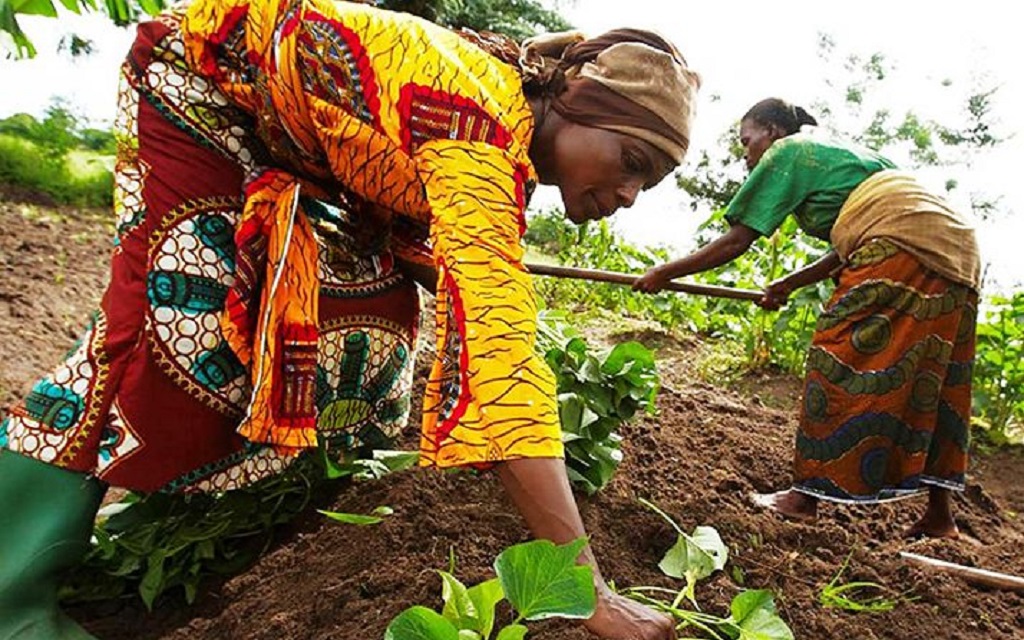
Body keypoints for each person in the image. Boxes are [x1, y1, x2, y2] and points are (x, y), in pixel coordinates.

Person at [0, 1, 701, 638]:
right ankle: (13, 597)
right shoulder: (479, 136)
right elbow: (500, 367)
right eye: (631, 160)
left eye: (650, 182)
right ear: (578, 103)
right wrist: (589, 594)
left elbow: (418, 218)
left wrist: (472, 283)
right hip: (198, 87)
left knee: (372, 323)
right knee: (175, 325)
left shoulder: (500, 130)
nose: (632, 194)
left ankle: (195, 526)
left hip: (289, 142)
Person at [634, 97, 980, 540]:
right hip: (958, 250)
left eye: (747, 141)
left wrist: (666, 271)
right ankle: (940, 517)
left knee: (837, 354)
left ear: (774, 132)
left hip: (901, 241)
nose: (747, 153)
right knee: (936, 374)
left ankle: (802, 499)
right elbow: (846, 248)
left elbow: (737, 240)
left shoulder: (790, 149)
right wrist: (789, 284)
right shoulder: (855, 158)